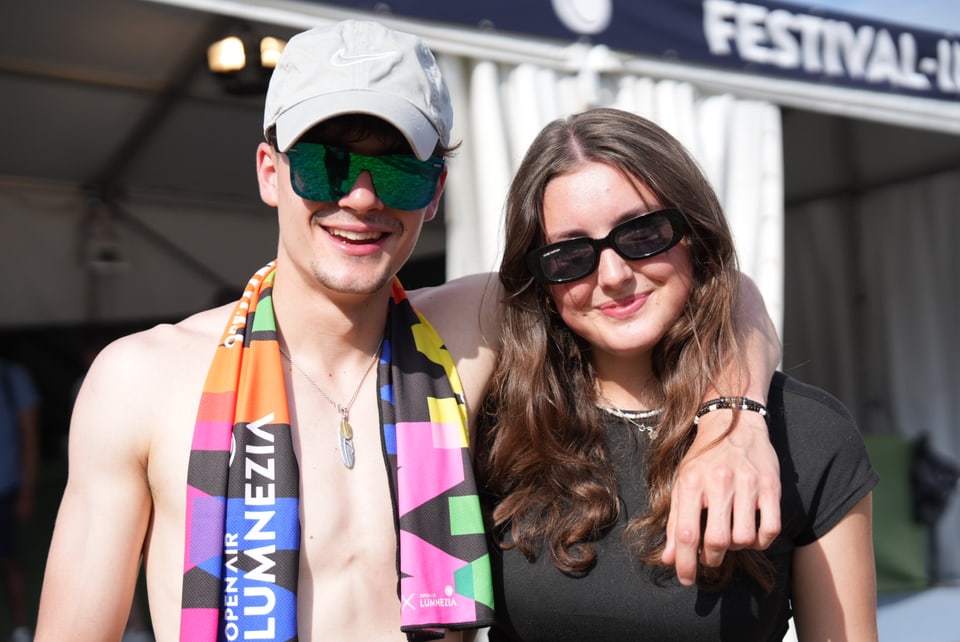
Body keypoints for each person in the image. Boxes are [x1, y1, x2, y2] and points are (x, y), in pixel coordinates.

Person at [35, 22, 781, 642]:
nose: (361, 199)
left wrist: (736, 424)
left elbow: (720, 292)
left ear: (435, 195)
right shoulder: (144, 380)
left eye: (397, 174)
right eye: (327, 165)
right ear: (270, 171)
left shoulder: (471, 333)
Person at [475, 108, 879, 641]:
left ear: (693, 233)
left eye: (642, 234)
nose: (614, 275)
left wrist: (735, 424)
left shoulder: (806, 433)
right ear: (540, 278)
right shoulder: (493, 427)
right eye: (570, 254)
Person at [0, 357, 40, 642]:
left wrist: (27, 489)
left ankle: (22, 629)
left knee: (10, 561)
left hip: (7, 487)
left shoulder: (12, 377)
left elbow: (30, 435)